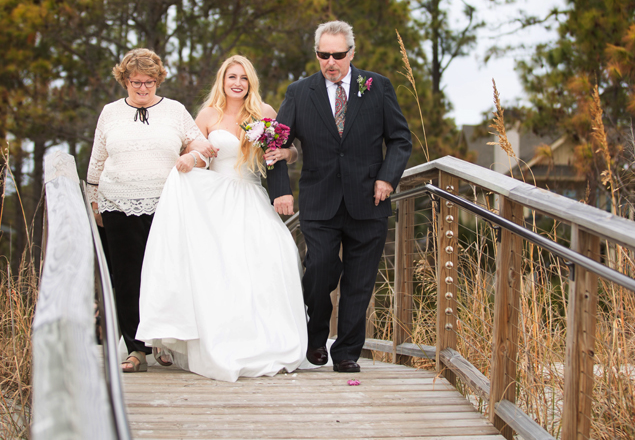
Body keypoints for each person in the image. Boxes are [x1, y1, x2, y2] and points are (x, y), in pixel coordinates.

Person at [135, 55, 309, 382]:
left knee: (276, 256)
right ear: (223, 80)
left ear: (250, 82)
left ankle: (267, 340)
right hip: (215, 199)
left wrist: (287, 153)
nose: (238, 83)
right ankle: (218, 336)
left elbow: (289, 150)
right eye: (232, 77)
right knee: (220, 269)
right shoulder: (207, 115)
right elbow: (201, 154)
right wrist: (190, 157)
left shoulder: (265, 113)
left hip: (251, 193)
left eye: (243, 77)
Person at [268, 20, 412, 373]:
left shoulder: (378, 86)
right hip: (320, 202)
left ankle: (347, 351)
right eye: (323, 55)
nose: (330, 61)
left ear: (352, 53)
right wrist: (281, 191)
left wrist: (387, 179)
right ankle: (314, 337)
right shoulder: (300, 92)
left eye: (337, 55)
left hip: (369, 201)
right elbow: (275, 145)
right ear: (316, 53)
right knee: (319, 271)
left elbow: (400, 139)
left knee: (359, 282)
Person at [86, 48, 217, 373]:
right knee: (127, 278)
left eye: (148, 82)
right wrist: (94, 200)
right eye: (135, 82)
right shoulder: (110, 112)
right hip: (117, 203)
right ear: (124, 81)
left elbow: (202, 145)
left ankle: (163, 340)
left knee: (164, 275)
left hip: (165, 205)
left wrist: (194, 153)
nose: (142, 89)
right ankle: (136, 349)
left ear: (158, 80)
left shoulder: (174, 111)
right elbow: (97, 160)